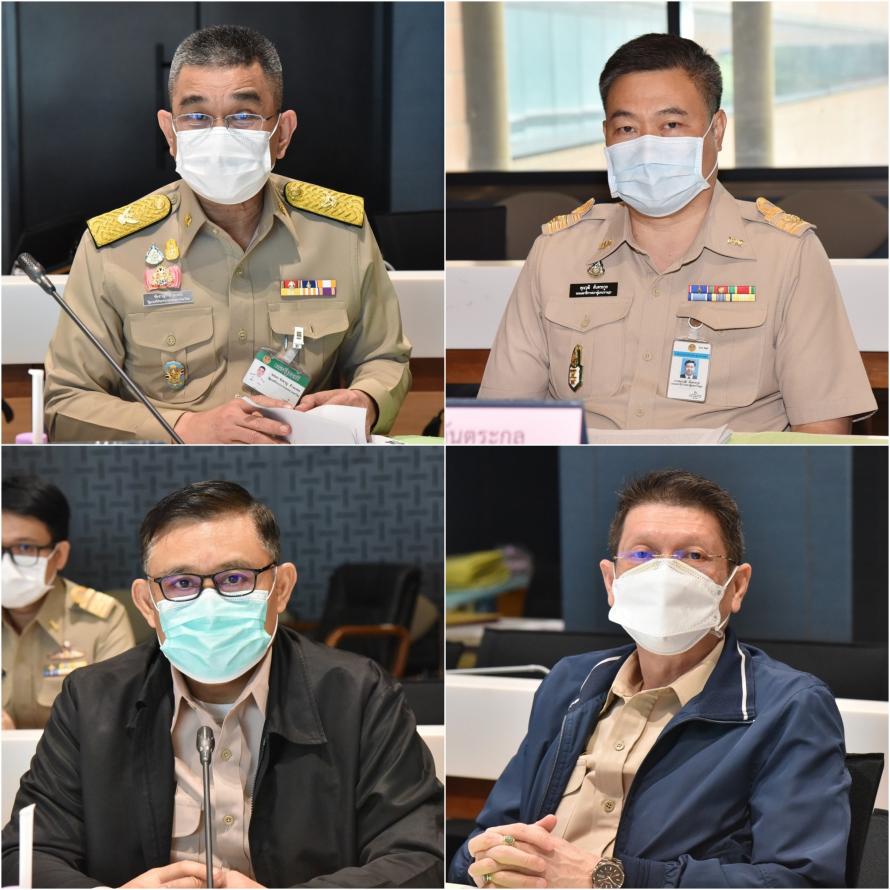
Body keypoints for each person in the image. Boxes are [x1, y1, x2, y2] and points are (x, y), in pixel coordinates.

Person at [2, 481, 442, 888]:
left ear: (281, 588)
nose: (209, 603)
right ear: (147, 604)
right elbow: (25, 854)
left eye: (235, 579)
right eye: (181, 583)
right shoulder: (91, 699)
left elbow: (419, 854)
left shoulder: (359, 695)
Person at [449, 470, 850, 888]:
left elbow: (803, 881)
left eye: (693, 555)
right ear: (611, 581)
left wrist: (605, 878)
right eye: (642, 555)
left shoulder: (789, 707)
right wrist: (485, 860)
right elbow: (480, 845)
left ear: (737, 587)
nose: (663, 574)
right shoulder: (571, 682)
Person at [478, 33, 876, 434]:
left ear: (716, 131)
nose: (647, 147)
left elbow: (822, 436)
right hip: (583, 471)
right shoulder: (556, 254)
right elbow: (500, 427)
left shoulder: (787, 255)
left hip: (729, 475)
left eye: (670, 125)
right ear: (606, 136)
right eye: (627, 128)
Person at [43, 25, 411, 444]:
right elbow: (66, 402)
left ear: (283, 133)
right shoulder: (113, 249)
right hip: (173, 465)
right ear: (170, 133)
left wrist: (367, 399)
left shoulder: (340, 232)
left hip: (300, 459)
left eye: (243, 115)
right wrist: (186, 428)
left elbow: (384, 357)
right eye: (196, 117)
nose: (218, 135)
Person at [2, 475, 135, 730]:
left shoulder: (103, 620)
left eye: (25, 548)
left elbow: (117, 723)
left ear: (59, 555)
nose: (6, 564)